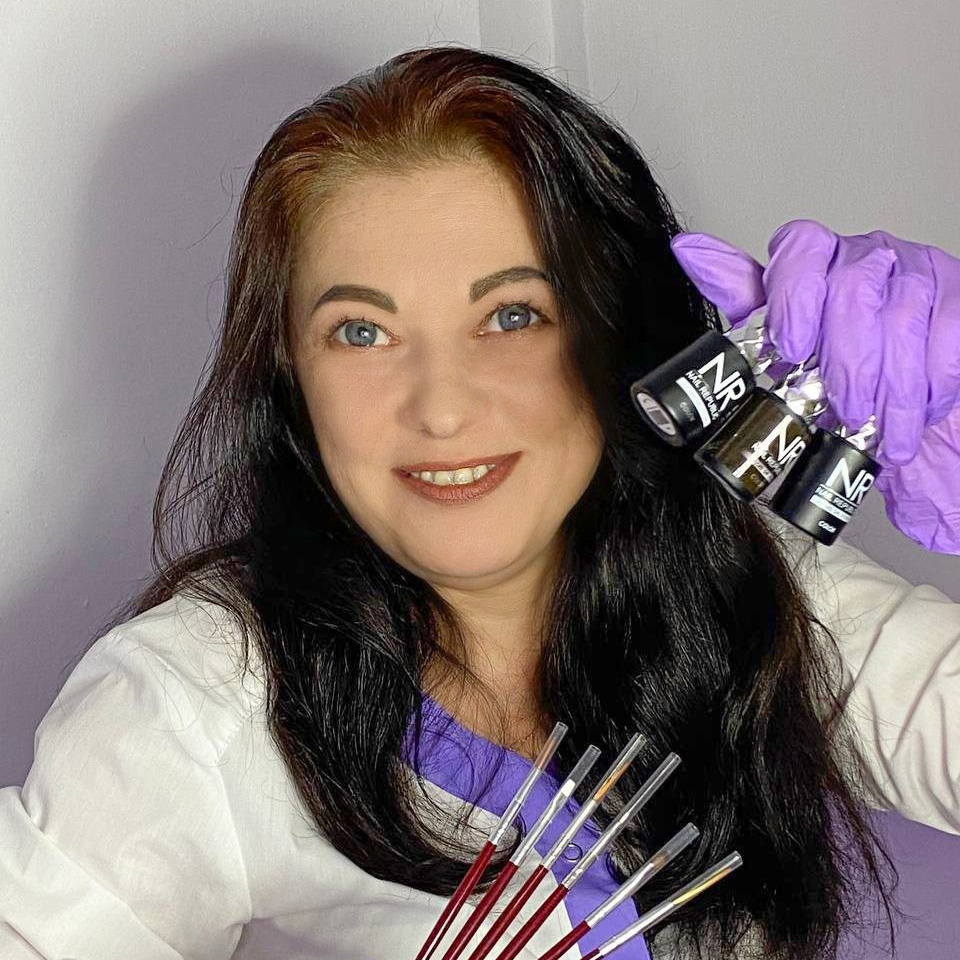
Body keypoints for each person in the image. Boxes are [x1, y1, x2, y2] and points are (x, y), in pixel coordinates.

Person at [1, 44, 958, 960]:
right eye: (361, 332)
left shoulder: (753, 588)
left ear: (615, 335)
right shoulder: (193, 706)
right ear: (290, 370)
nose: (443, 409)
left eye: (512, 316)